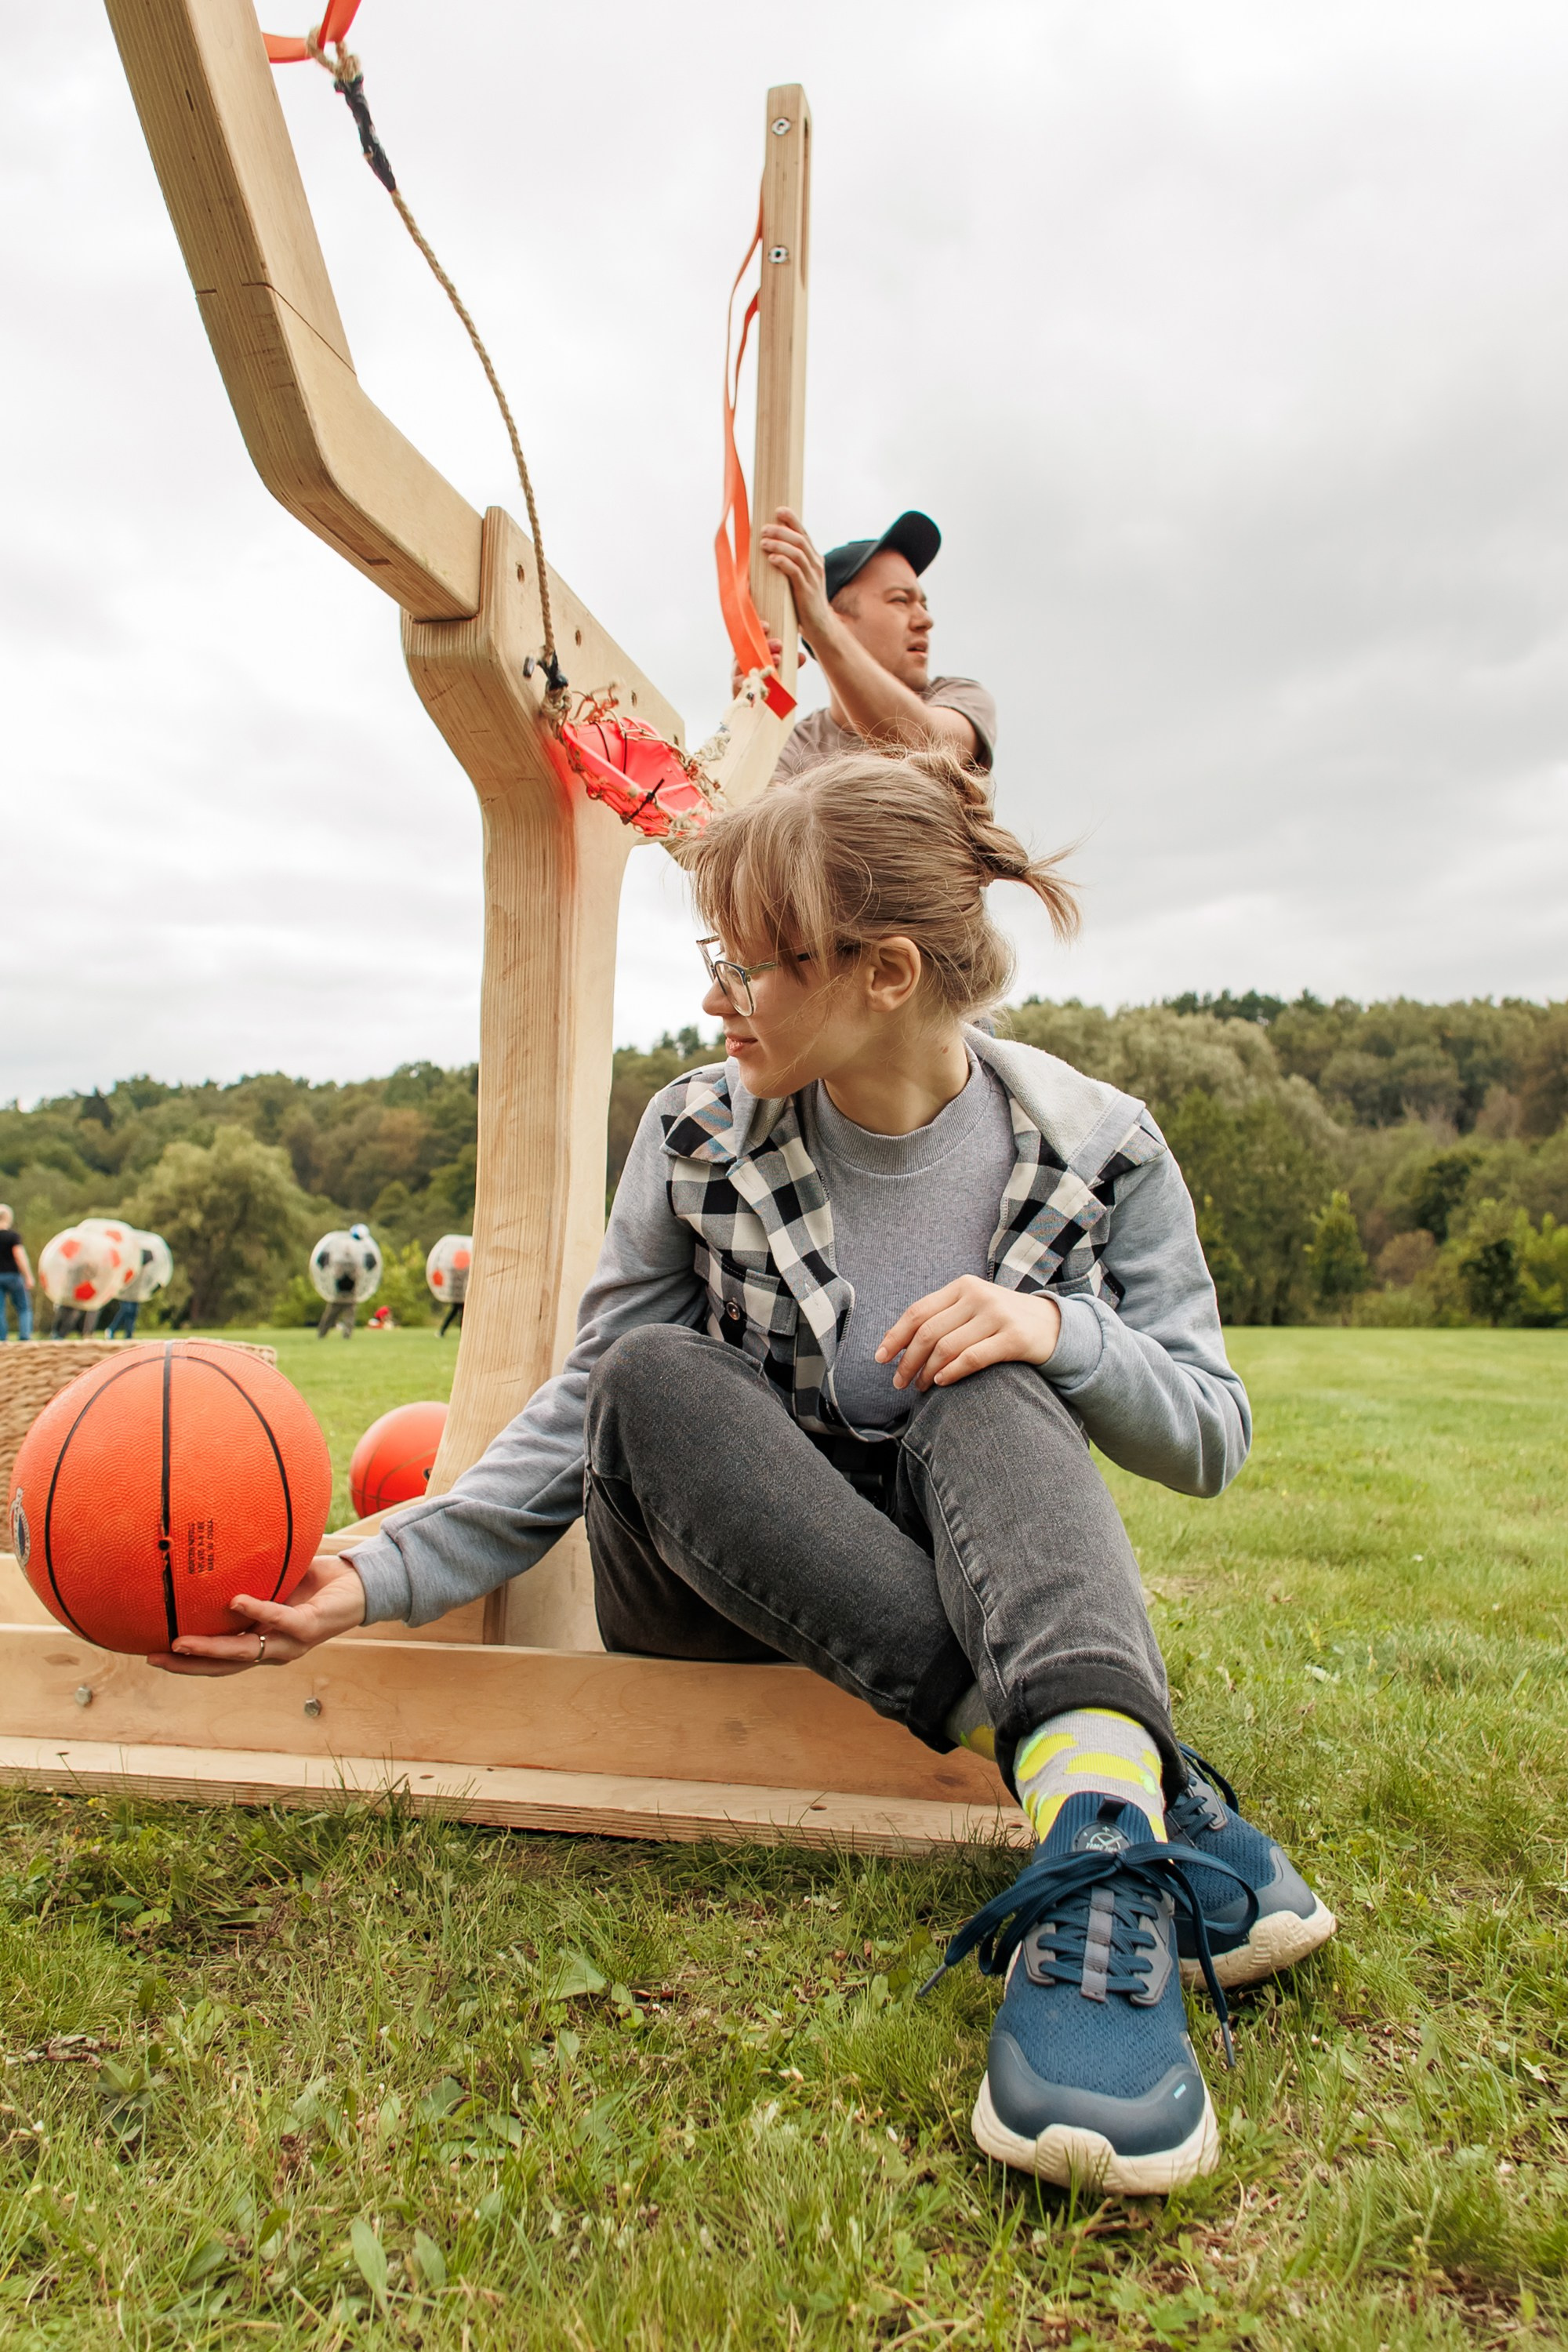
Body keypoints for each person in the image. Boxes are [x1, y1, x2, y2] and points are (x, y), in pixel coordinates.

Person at [150, 750, 1335, 2198]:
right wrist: (381, 1563)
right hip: (719, 1586)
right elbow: (588, 1403)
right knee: (653, 1377)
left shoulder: (1102, 1151)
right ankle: (1111, 1768)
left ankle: (1095, 1882)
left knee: (996, 1374)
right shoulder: (698, 1128)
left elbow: (1211, 1430)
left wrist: (1058, 1327)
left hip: (967, 1575)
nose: (715, 998)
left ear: (884, 970)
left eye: (750, 965)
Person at [750, 509, 996, 783]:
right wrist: (747, 721)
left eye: (923, 605)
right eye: (901, 600)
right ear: (837, 618)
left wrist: (821, 626)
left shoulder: (961, 697)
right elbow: (743, 815)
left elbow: (930, 749)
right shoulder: (797, 748)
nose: (925, 620)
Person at [0, 1210, 33, 1342]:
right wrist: (28, 1276)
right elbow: (19, 1256)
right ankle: (24, 1337)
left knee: (0, 1309)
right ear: (9, 1218)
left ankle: (2, 1339)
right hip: (13, 1276)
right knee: (24, 1308)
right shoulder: (13, 1236)